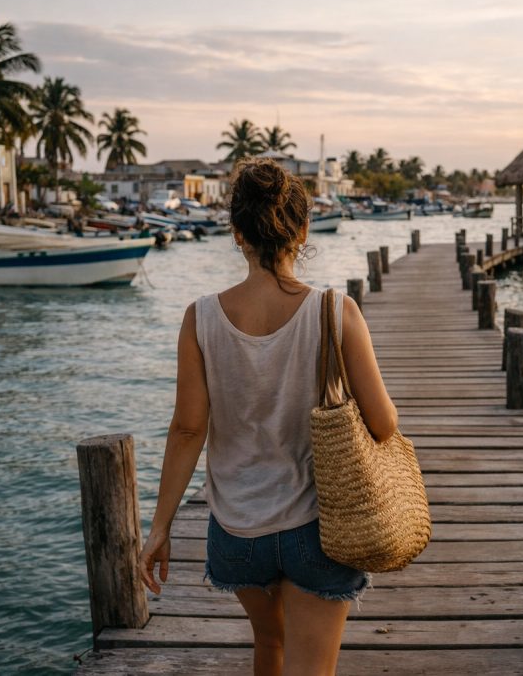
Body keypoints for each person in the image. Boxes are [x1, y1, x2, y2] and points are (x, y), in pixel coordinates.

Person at [137, 158, 397, 676]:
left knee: (270, 646)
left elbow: (188, 429)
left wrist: (160, 526)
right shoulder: (335, 311)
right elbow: (384, 423)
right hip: (317, 525)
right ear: (302, 229)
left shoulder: (200, 317)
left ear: (237, 233)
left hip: (236, 531)